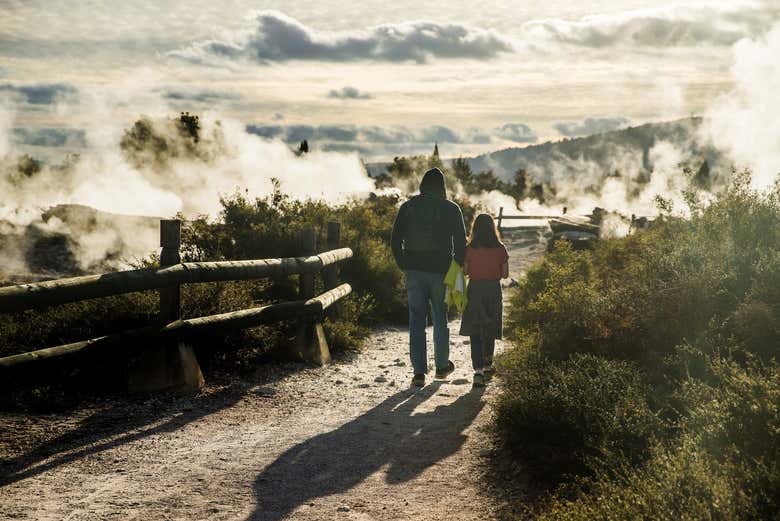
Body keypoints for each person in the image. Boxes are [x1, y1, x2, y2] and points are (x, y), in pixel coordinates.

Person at [391, 168, 467, 387]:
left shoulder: (408, 207)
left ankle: (418, 373)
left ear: (422, 185)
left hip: (414, 271)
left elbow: (395, 240)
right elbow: (460, 242)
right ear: (442, 186)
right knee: (440, 317)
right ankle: (441, 366)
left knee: (416, 320)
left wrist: (404, 264)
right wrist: (456, 267)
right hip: (441, 271)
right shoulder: (451, 208)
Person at [459, 213, 509, 387]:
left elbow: (465, 271)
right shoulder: (501, 248)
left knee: (475, 331)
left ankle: (478, 372)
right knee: (490, 328)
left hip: (475, 290)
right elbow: (505, 274)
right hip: (493, 290)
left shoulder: (470, 248)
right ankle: (488, 366)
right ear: (492, 228)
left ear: (475, 229)